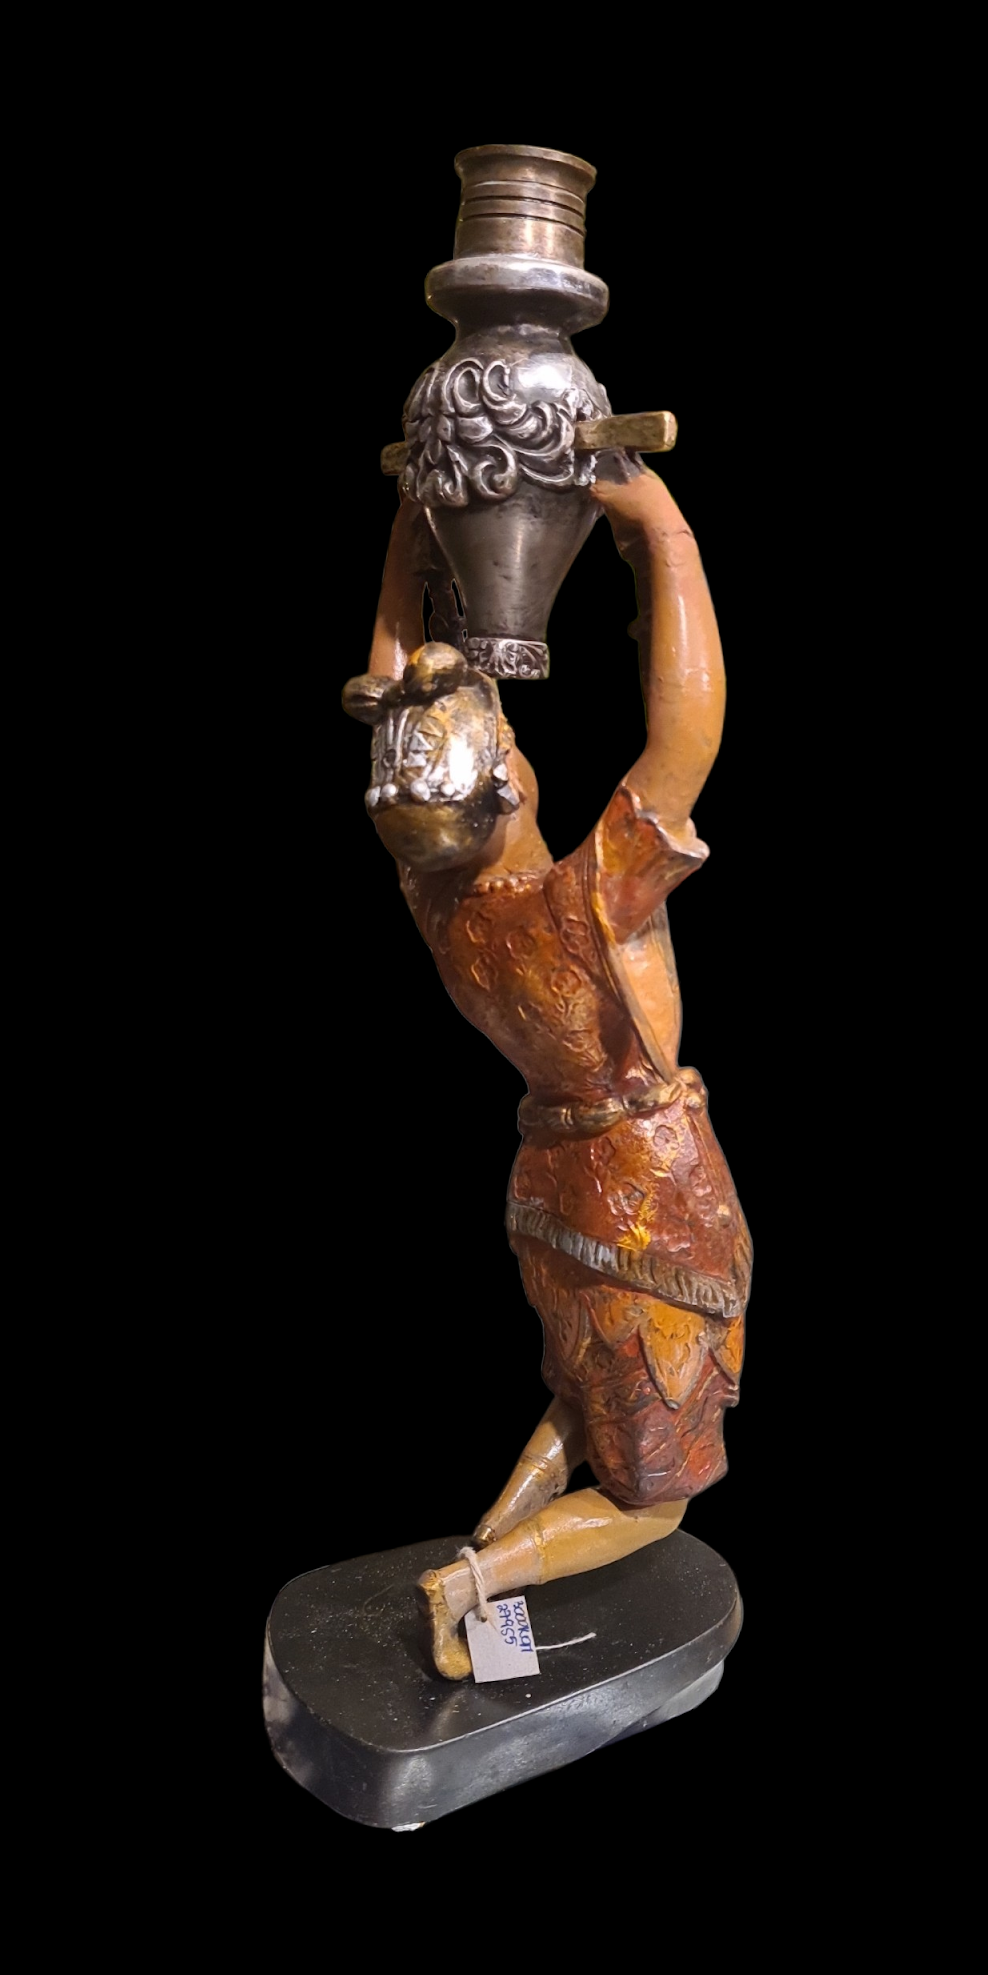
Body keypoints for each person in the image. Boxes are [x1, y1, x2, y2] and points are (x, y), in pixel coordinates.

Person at [342, 463, 750, 1678]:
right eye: (510, 741)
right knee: (657, 1499)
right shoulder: (588, 902)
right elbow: (687, 732)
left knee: (584, 1395)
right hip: (649, 1199)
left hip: (551, 1195)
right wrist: (662, 531)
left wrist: (414, 535)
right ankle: (470, 1582)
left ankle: (489, 1534)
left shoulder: (440, 906)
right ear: (510, 780)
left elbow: (391, 719)